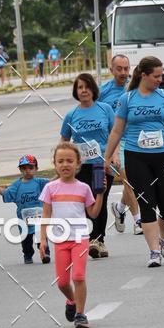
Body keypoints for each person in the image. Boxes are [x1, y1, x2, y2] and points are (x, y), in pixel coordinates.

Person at [103, 56, 164, 268]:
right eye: (156, 76)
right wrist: (107, 157)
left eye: (161, 75)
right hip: (136, 157)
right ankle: (154, 251)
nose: (160, 80)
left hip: (163, 156)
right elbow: (117, 130)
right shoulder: (128, 99)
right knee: (146, 203)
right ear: (144, 75)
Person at [39, 142, 105, 328]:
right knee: (62, 283)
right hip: (60, 240)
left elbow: (93, 213)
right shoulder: (50, 188)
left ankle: (80, 315)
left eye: (69, 161)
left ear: (78, 164)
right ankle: (72, 300)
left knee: (78, 276)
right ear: (55, 164)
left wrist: (100, 194)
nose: (65, 164)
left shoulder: (83, 188)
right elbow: (46, 215)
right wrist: (42, 239)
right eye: (60, 161)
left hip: (80, 239)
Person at [60, 73, 114, 259]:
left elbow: (115, 134)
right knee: (85, 202)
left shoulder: (105, 109)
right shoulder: (71, 115)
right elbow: (64, 140)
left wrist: (113, 156)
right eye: (80, 87)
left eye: (87, 86)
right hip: (81, 166)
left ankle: (99, 240)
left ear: (93, 89)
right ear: (76, 91)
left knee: (101, 199)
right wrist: (63, 161)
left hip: (102, 163)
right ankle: (90, 239)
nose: (83, 90)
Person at [99, 54, 142, 236]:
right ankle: (138, 220)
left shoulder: (135, 88)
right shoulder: (103, 92)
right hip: (116, 142)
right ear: (111, 69)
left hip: (135, 139)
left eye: (126, 68)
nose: (123, 72)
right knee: (128, 179)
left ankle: (120, 207)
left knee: (134, 181)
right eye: (119, 69)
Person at [1, 155, 50, 264]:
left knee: (41, 237)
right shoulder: (16, 185)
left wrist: (61, 174)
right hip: (24, 220)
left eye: (30, 168)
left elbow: (52, 183)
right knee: (26, 240)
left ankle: (45, 254)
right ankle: (27, 255)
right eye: (24, 168)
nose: (27, 171)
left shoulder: (40, 182)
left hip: (38, 218)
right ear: (20, 170)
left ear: (36, 168)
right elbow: (7, 194)